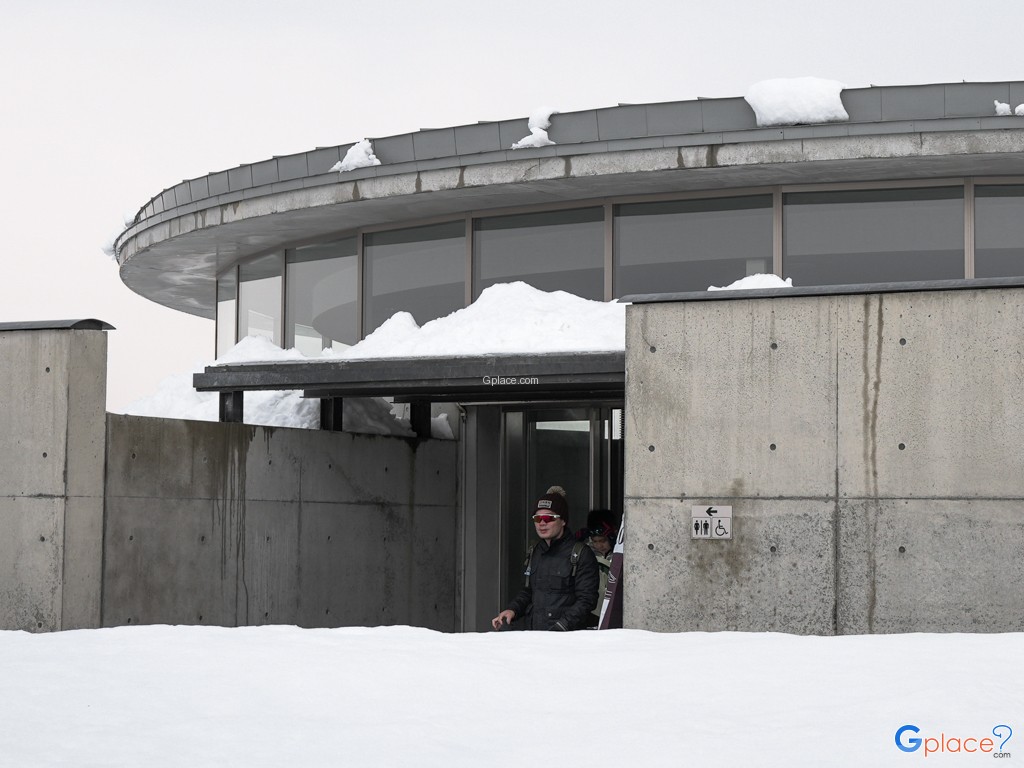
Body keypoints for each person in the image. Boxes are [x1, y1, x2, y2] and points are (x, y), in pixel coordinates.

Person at [491, 486, 599, 631]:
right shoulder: (535, 551)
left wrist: (561, 627)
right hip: (536, 634)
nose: (542, 523)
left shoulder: (581, 553)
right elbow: (529, 591)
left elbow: (587, 601)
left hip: (567, 638)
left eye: (548, 518)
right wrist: (513, 610)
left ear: (563, 521)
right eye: (537, 518)